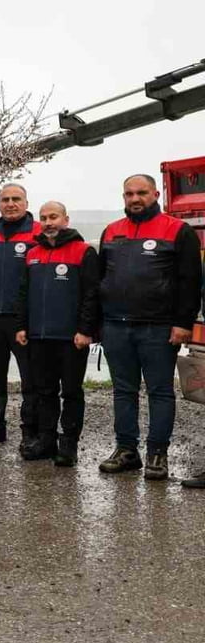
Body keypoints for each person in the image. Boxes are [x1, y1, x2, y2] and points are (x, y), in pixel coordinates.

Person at [96, 173, 202, 481]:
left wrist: (183, 323)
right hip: (116, 326)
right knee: (123, 391)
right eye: (129, 194)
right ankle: (127, 450)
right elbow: (100, 279)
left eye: (141, 193)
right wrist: (99, 322)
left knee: (160, 392)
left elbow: (191, 282)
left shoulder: (177, 230)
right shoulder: (111, 231)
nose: (135, 199)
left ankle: (158, 453)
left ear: (155, 194)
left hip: (158, 328)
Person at [13, 201, 99, 467]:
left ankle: (69, 444)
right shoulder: (32, 254)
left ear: (66, 219)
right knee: (44, 391)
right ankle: (47, 440)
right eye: (44, 218)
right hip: (39, 337)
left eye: (54, 217)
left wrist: (86, 330)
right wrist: (21, 326)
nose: (49, 222)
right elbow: (23, 294)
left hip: (71, 339)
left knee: (71, 392)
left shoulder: (84, 252)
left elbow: (91, 295)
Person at [0, 184, 41, 451]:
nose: (10, 204)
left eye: (16, 199)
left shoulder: (37, 233)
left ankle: (30, 430)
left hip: (23, 319)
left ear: (26, 202)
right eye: (5, 200)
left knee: (30, 378)